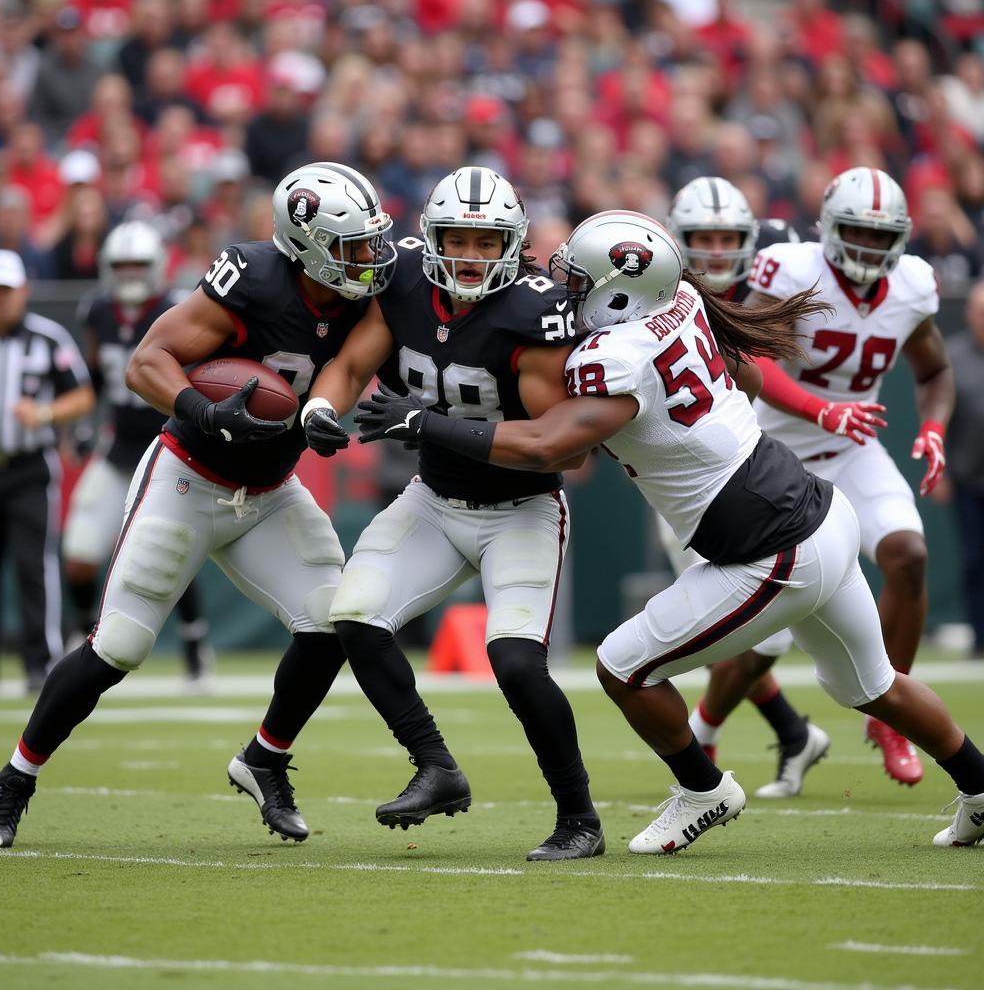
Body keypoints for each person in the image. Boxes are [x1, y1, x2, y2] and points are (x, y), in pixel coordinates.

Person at [355, 210, 984, 853]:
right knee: (873, 686)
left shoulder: (615, 354)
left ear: (620, 292)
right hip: (818, 511)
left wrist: (423, 421)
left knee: (623, 666)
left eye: (578, 277)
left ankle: (704, 789)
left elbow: (551, 447)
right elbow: (740, 375)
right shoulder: (679, 300)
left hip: (772, 548)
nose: (560, 284)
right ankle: (982, 790)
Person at [0, 162, 397, 849]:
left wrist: (323, 411)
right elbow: (148, 360)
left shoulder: (363, 299)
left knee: (332, 622)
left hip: (269, 491)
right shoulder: (252, 278)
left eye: (370, 243)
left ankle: (265, 758)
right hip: (190, 475)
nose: (367, 260)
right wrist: (203, 409)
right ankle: (15, 779)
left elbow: (349, 367)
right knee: (119, 645)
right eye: (351, 247)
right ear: (305, 242)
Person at [302, 166, 605, 862]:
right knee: (354, 616)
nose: (469, 254)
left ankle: (579, 818)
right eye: (457, 238)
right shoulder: (402, 278)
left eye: (485, 239)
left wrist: (428, 423)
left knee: (518, 666)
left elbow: (560, 452)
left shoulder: (535, 312)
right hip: (433, 501)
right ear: (430, 238)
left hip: (521, 509)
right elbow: (350, 364)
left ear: (514, 243)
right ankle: (436, 766)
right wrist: (321, 407)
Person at [735, 166, 954, 789]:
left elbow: (935, 371)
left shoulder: (913, 285)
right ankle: (706, 730)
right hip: (773, 449)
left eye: (882, 236)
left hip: (852, 449)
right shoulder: (792, 268)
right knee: (760, 615)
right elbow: (752, 353)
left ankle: (893, 716)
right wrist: (820, 408)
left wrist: (933, 425)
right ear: (829, 228)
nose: (869, 248)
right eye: (856, 231)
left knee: (909, 554)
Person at [663, 175, 838, 798]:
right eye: (700, 238)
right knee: (732, 627)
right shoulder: (663, 289)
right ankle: (791, 734)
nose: (713, 250)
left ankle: (709, 734)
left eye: (726, 237)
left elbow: (758, 371)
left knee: (752, 627)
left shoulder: (777, 271)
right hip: (695, 473)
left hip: (763, 465)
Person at [62, 220, 214, 687]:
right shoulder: (97, 312)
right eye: (121, 266)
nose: (129, 275)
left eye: (138, 266)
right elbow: (93, 377)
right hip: (116, 448)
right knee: (81, 552)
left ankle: (193, 641)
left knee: (171, 551)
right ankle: (84, 632)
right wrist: (85, 426)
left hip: (169, 444)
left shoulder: (178, 308)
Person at [0, 250, 95, 693]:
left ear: (23, 291)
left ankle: (40, 660)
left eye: (7, 291)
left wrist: (42, 413)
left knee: (33, 565)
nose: (1, 300)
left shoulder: (48, 338)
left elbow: (82, 397)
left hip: (29, 467)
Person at [940, 281, 984, 659]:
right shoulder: (952, 356)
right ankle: (980, 637)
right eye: (980, 312)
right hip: (969, 476)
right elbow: (942, 416)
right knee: (974, 558)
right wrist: (940, 470)